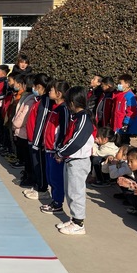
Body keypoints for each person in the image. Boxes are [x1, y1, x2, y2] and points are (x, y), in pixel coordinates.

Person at [54, 86, 95, 236]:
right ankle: (74, 219)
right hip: (71, 159)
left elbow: (77, 141)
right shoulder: (76, 117)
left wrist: (61, 152)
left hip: (79, 160)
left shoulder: (84, 118)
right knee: (70, 191)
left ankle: (79, 224)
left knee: (76, 192)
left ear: (74, 102)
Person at [39, 80, 70, 214]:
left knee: (56, 177)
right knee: (50, 175)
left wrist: (59, 148)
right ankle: (54, 200)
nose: (49, 92)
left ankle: (58, 203)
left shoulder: (63, 109)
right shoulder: (54, 108)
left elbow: (63, 131)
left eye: (51, 90)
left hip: (55, 151)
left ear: (59, 94)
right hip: (48, 148)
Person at [23, 73, 53, 200]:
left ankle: (42, 189)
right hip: (32, 139)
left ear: (40, 86)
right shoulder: (39, 100)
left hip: (38, 141)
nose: (34, 89)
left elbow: (41, 122)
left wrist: (36, 142)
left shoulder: (45, 101)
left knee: (39, 165)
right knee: (35, 165)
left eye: (36, 87)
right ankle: (37, 185)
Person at [12, 73, 36, 187]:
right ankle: (26, 174)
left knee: (28, 158)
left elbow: (24, 116)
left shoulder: (31, 100)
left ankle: (29, 178)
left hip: (25, 132)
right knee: (26, 158)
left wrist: (15, 124)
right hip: (21, 132)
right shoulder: (27, 97)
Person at [111, 74, 137, 145]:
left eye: (120, 83)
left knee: (124, 143)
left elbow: (131, 111)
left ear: (127, 84)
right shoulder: (118, 94)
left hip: (123, 125)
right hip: (117, 123)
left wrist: (126, 123)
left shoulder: (130, 96)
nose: (118, 85)